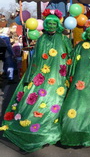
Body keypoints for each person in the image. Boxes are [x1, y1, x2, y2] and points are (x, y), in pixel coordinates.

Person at [0, 9, 73, 152]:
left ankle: (54, 131)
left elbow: (69, 56)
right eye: (49, 23)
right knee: (38, 102)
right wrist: (31, 76)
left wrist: (69, 74)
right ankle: (40, 130)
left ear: (57, 25)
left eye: (54, 23)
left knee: (56, 101)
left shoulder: (63, 38)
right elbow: (36, 59)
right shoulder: (42, 39)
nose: (51, 26)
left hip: (58, 77)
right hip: (42, 77)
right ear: (45, 25)